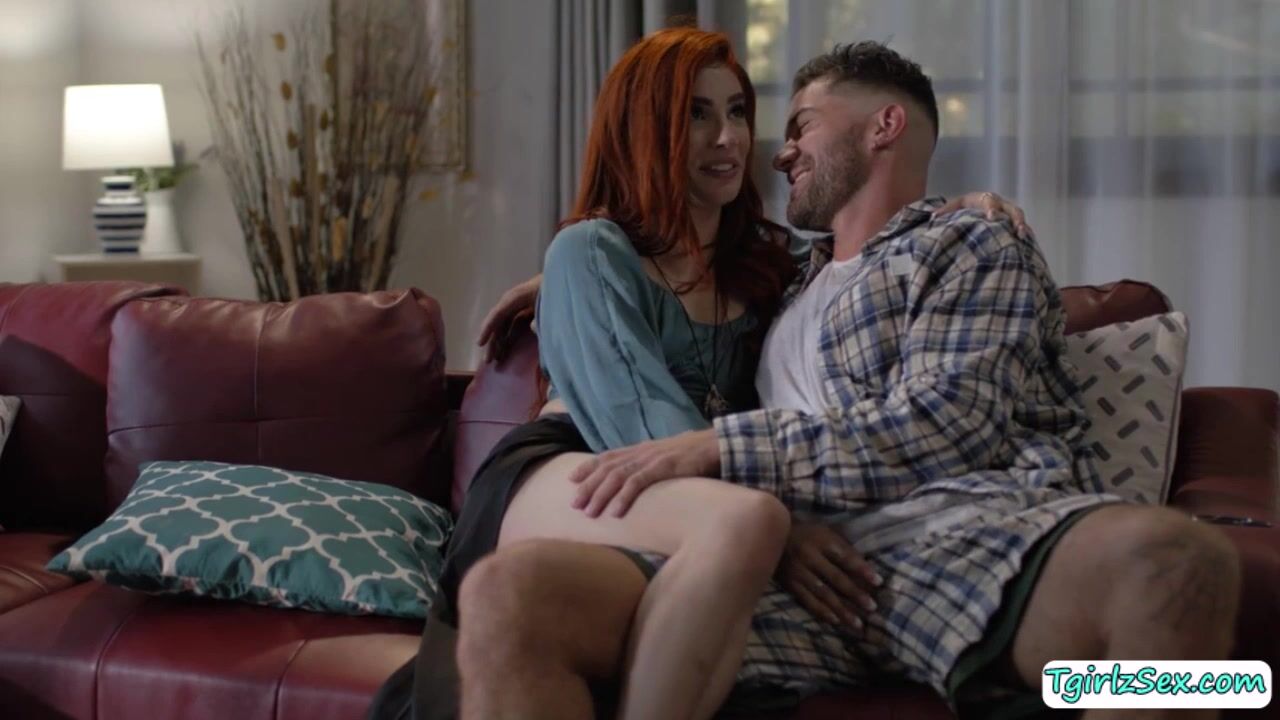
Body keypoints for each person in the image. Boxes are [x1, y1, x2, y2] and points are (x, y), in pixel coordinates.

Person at [451, 41, 1242, 720]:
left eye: (797, 125)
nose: (773, 150)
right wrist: (562, 279)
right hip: (785, 576)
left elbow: (947, 425)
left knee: (1177, 569)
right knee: (514, 596)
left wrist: (727, 450)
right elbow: (655, 282)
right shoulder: (784, 276)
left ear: (884, 126)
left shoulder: (964, 244)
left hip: (956, 544)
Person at [368, 27, 1029, 720]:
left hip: (699, 495)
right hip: (575, 461)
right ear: (646, 128)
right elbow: (637, 422)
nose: (729, 138)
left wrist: (957, 212)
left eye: (737, 112)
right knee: (749, 520)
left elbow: (869, 266)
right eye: (696, 115)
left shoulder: (772, 266)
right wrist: (788, 536)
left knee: (742, 525)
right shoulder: (592, 250)